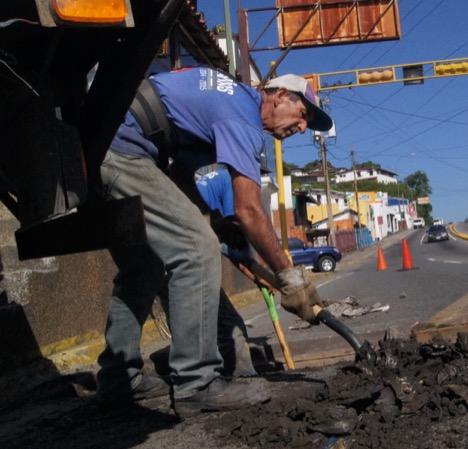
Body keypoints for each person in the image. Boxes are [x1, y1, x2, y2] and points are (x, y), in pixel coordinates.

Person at [95, 68, 333, 416]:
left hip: (106, 139)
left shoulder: (228, 102)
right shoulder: (243, 114)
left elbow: (180, 178)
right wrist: (288, 276)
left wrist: (220, 224)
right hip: (122, 146)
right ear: (281, 95)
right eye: (303, 116)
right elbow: (249, 208)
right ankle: (197, 383)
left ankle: (118, 380)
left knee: (145, 265)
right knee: (196, 248)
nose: (301, 129)